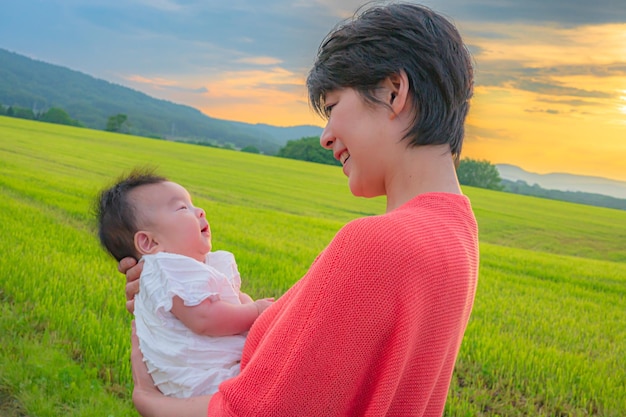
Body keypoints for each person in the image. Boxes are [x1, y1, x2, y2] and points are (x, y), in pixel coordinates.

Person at [120, 2, 479, 415]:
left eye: (332, 107)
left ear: (392, 92)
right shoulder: (455, 235)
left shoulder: (377, 244)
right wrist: (186, 288)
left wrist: (148, 400)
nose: (326, 137)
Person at [96, 169, 274, 398]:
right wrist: (255, 311)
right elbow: (205, 318)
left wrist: (249, 307)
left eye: (192, 204)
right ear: (149, 243)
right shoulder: (168, 269)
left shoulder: (195, 268)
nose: (200, 211)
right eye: (182, 208)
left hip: (215, 372)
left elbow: (230, 301)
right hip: (203, 381)